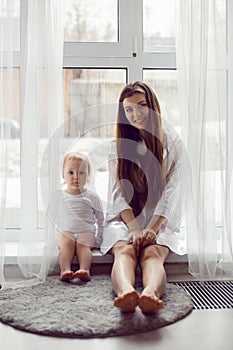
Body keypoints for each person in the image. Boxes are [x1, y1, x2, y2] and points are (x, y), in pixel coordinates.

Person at [101, 81, 191, 313]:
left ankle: (150, 293)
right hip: (126, 218)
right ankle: (127, 293)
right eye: (128, 109)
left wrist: (151, 229)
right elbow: (118, 193)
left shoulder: (173, 145)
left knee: (152, 254)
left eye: (141, 106)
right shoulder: (117, 146)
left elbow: (173, 192)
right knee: (125, 250)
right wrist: (133, 228)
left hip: (159, 218)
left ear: (152, 107)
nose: (135, 114)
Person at [57, 151, 104, 282]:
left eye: (81, 173)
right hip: (67, 231)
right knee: (67, 243)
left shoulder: (92, 197)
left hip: (86, 231)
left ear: (88, 175)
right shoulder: (60, 197)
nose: (76, 177)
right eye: (70, 173)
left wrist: (99, 240)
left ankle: (85, 269)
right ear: (63, 174)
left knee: (83, 245)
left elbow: (101, 220)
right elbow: (53, 219)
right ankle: (65, 270)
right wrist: (53, 239)